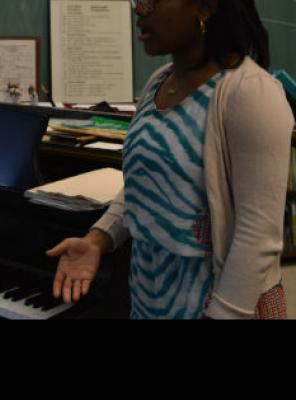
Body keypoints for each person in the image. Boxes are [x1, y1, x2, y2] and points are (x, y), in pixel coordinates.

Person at [47, 0, 295, 319]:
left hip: (217, 306)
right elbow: (144, 185)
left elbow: (257, 235)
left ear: (205, 8)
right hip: (150, 299)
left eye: (153, 1)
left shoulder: (251, 94)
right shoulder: (159, 82)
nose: (139, 10)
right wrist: (98, 238)